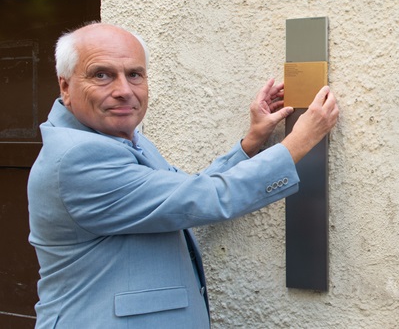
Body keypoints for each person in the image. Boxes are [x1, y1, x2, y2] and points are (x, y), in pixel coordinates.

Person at [28, 23, 339, 328]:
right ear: (66, 86)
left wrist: (251, 142)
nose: (123, 91)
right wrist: (301, 140)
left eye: (134, 74)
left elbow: (182, 193)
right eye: (102, 75)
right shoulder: (78, 158)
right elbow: (204, 199)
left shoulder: (119, 137)